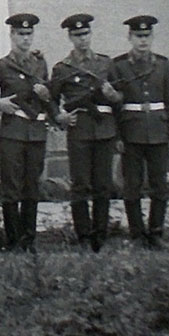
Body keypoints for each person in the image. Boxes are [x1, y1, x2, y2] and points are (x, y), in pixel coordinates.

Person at [0, 13, 68, 251]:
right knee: (11, 189)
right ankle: (13, 239)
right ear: (12, 35)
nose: (25, 38)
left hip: (35, 133)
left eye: (29, 34)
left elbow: (48, 97)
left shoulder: (39, 64)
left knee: (32, 187)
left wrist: (50, 101)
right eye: (21, 34)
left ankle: (29, 239)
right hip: (12, 133)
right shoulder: (1, 66)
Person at [50, 14, 123, 252]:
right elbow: (51, 101)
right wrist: (59, 117)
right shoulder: (62, 68)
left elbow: (120, 98)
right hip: (79, 128)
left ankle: (100, 236)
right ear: (70, 37)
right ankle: (83, 236)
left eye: (86, 34)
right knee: (80, 184)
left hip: (104, 128)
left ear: (91, 35)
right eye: (77, 35)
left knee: (103, 185)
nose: (83, 39)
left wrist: (113, 96)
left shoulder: (105, 64)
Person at [112, 15, 169, 247]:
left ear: (152, 37)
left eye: (146, 36)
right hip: (132, 132)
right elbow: (115, 105)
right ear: (130, 37)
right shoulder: (119, 65)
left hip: (158, 131)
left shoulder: (162, 64)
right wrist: (118, 136)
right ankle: (137, 234)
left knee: (159, 185)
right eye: (138, 36)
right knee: (132, 185)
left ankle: (156, 232)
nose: (143, 41)